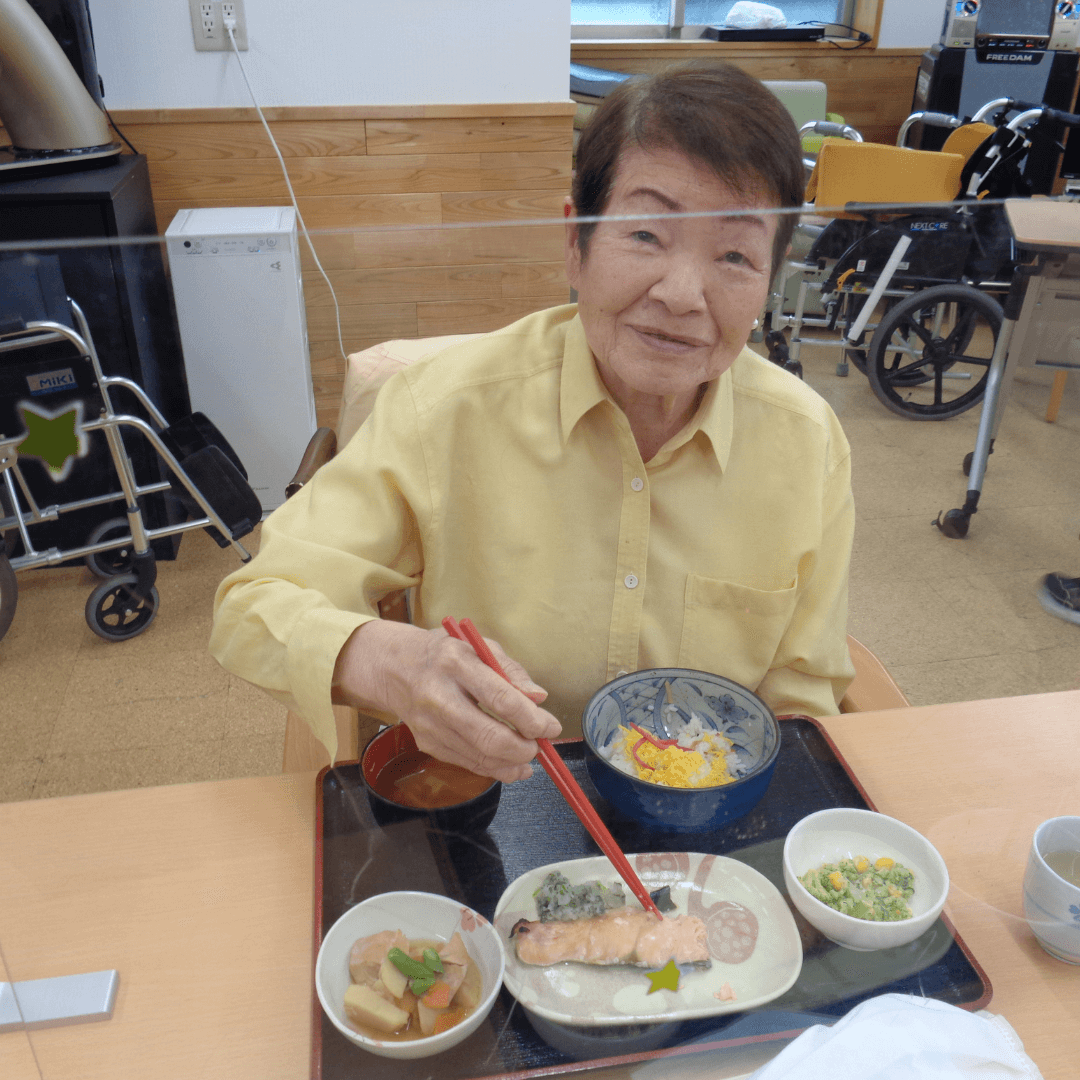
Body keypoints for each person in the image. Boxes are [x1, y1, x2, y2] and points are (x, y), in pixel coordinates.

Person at [209, 61, 856, 783]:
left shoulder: (808, 442)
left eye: (735, 255)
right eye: (646, 235)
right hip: (496, 796)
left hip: (711, 815)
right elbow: (253, 605)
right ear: (576, 243)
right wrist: (393, 664)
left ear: (770, 281)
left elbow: (804, 696)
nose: (681, 295)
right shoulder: (443, 409)